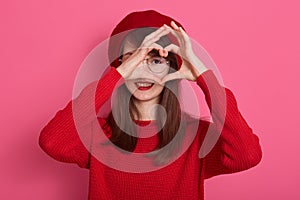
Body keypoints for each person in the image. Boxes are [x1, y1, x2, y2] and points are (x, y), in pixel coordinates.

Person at [39, 10, 262, 200]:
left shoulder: (196, 138)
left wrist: (203, 77)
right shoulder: (98, 133)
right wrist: (115, 76)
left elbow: (247, 155)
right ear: (120, 67)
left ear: (172, 68)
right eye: (133, 58)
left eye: (156, 60)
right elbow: (52, 142)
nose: (143, 71)